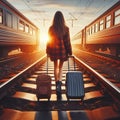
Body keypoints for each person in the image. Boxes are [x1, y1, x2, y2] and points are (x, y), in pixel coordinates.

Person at [46, 11, 72, 99]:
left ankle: (57, 82)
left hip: (54, 51)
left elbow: (49, 41)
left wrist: (48, 51)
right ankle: (59, 85)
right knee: (60, 68)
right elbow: (67, 42)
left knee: (55, 67)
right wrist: (70, 51)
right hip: (62, 51)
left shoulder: (51, 28)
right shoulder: (66, 28)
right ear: (62, 19)